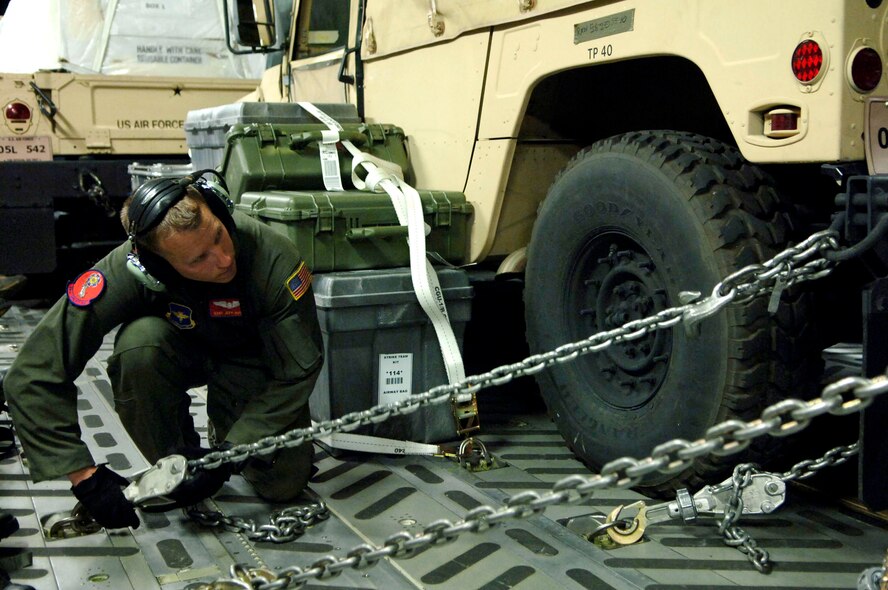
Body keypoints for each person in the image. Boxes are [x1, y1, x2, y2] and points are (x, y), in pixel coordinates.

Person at [1, 170, 324, 530]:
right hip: (174, 350)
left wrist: (232, 451)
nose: (223, 259)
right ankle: (175, 463)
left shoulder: (273, 258)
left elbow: (298, 369)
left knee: (283, 484)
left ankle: (222, 432)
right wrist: (85, 478)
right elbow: (32, 372)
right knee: (138, 347)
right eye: (197, 260)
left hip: (251, 363)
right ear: (155, 267)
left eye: (219, 236)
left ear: (218, 209)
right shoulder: (130, 269)